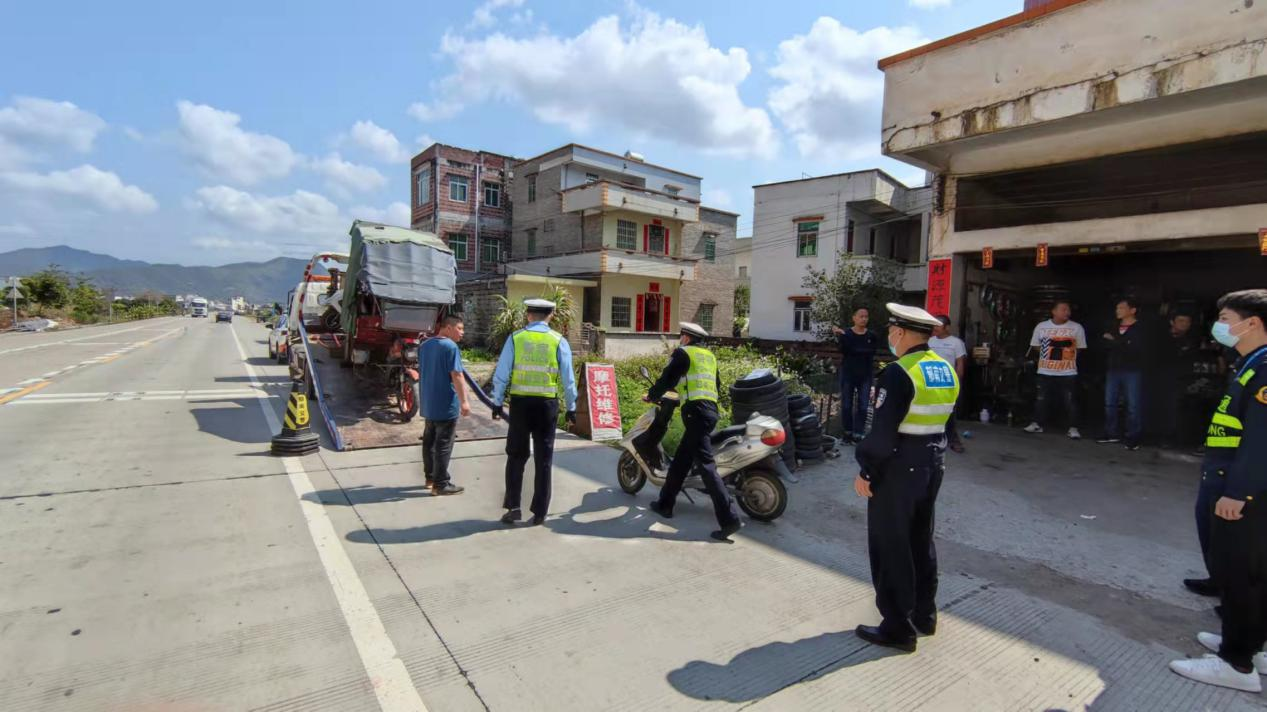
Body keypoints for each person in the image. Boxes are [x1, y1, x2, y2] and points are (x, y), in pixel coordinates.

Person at [1169, 289, 1267, 692]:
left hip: (1239, 490)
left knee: (1238, 573)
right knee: (1250, 573)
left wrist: (1238, 492)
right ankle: (1250, 643)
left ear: (1252, 323)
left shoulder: (1263, 370)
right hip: (1230, 482)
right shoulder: (1251, 363)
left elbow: (1262, 440)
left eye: (1225, 318)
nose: (1220, 326)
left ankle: (1236, 663)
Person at [853, 303, 960, 653]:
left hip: (899, 468)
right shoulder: (944, 369)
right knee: (920, 540)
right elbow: (947, 421)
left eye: (890, 331)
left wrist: (867, 470)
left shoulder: (900, 372)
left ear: (899, 333)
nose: (889, 337)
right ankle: (924, 615)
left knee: (890, 545)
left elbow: (883, 432)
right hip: (932, 463)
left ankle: (898, 627)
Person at [646, 322, 743, 542]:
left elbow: (667, 377)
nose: (680, 339)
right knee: (681, 460)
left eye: (682, 336)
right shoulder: (709, 356)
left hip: (696, 413)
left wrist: (652, 395)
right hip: (709, 411)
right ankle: (665, 504)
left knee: (707, 466)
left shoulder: (683, 353)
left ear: (687, 338)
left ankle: (729, 519)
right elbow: (714, 386)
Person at [490, 299, 577, 526]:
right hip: (547, 406)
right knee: (544, 458)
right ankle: (539, 512)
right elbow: (568, 379)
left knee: (516, 456)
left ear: (528, 315)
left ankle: (513, 508)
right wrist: (572, 407)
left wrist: (497, 402)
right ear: (550, 316)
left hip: (520, 405)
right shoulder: (559, 341)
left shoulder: (516, 338)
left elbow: (502, 373)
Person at [419, 315, 470, 495]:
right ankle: (441, 484)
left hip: (429, 403)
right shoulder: (450, 347)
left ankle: (430, 477)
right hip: (445, 403)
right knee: (443, 444)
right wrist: (464, 401)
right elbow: (457, 375)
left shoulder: (425, 345)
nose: (462, 333)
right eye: (459, 328)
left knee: (429, 441)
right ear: (447, 328)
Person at [1023, 301, 1086, 439]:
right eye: (1063, 309)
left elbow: (1080, 348)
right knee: (1041, 399)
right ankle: (1037, 423)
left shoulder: (1077, 328)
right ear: (1054, 311)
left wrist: (1066, 356)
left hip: (1068, 372)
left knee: (1069, 400)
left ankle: (1073, 427)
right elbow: (1035, 345)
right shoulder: (1042, 326)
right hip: (1045, 371)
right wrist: (1048, 353)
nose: (1067, 312)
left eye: (1068, 310)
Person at [1098, 297, 1148, 450]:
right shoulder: (1113, 326)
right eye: (1117, 308)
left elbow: (1135, 349)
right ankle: (1110, 432)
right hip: (1113, 368)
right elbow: (1104, 344)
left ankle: (1133, 436)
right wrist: (1119, 343)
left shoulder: (1139, 328)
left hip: (1132, 369)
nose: (1118, 311)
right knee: (1110, 402)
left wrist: (1115, 342)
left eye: (1122, 308)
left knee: (1133, 404)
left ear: (1132, 310)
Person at [831, 307, 880, 442]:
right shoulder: (846, 334)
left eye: (866, 316)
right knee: (846, 405)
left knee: (863, 406)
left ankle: (858, 433)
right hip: (848, 374)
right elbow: (844, 350)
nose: (864, 319)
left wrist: (855, 348)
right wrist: (841, 337)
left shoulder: (871, 336)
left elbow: (871, 352)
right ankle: (847, 433)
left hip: (865, 375)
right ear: (854, 318)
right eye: (861, 316)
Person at [1158, 312, 1201, 449]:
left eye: (1187, 321)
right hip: (1161, 378)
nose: (1184, 324)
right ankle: (1161, 435)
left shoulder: (1192, 340)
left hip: (1183, 379)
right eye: (1181, 320)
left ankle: (1176, 437)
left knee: (1180, 409)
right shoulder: (1161, 337)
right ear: (1172, 322)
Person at [929, 315, 967, 453]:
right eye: (934, 325)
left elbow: (960, 364)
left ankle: (953, 439)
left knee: (948, 412)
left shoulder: (956, 343)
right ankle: (932, 440)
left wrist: (957, 382)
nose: (935, 328)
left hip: (948, 382)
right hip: (930, 381)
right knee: (931, 411)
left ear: (947, 327)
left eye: (938, 325)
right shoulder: (930, 341)